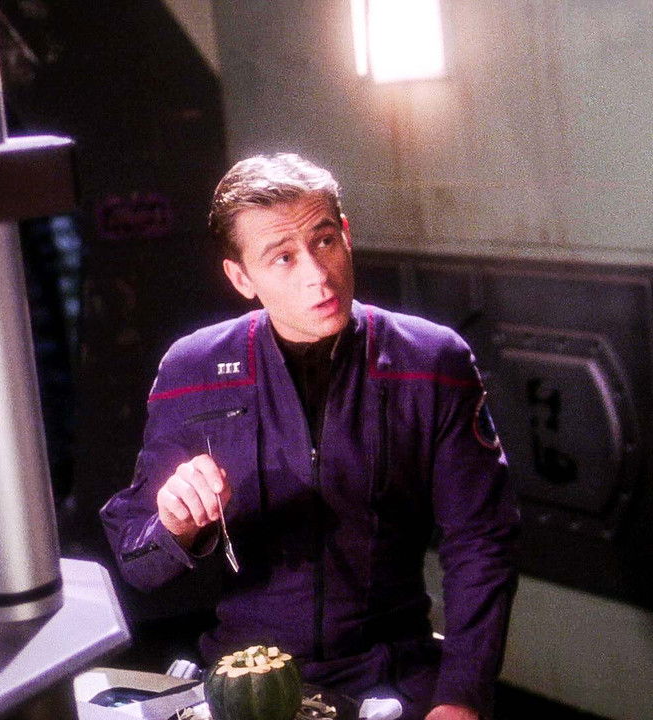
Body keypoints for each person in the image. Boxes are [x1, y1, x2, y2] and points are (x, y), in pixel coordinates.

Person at [100, 153, 519, 720]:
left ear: (346, 235)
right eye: (283, 257)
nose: (317, 275)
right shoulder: (192, 369)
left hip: (393, 676)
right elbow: (138, 563)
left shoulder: (432, 361)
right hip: (242, 681)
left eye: (324, 241)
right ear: (242, 278)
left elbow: (482, 542)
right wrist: (176, 525)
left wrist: (461, 696)